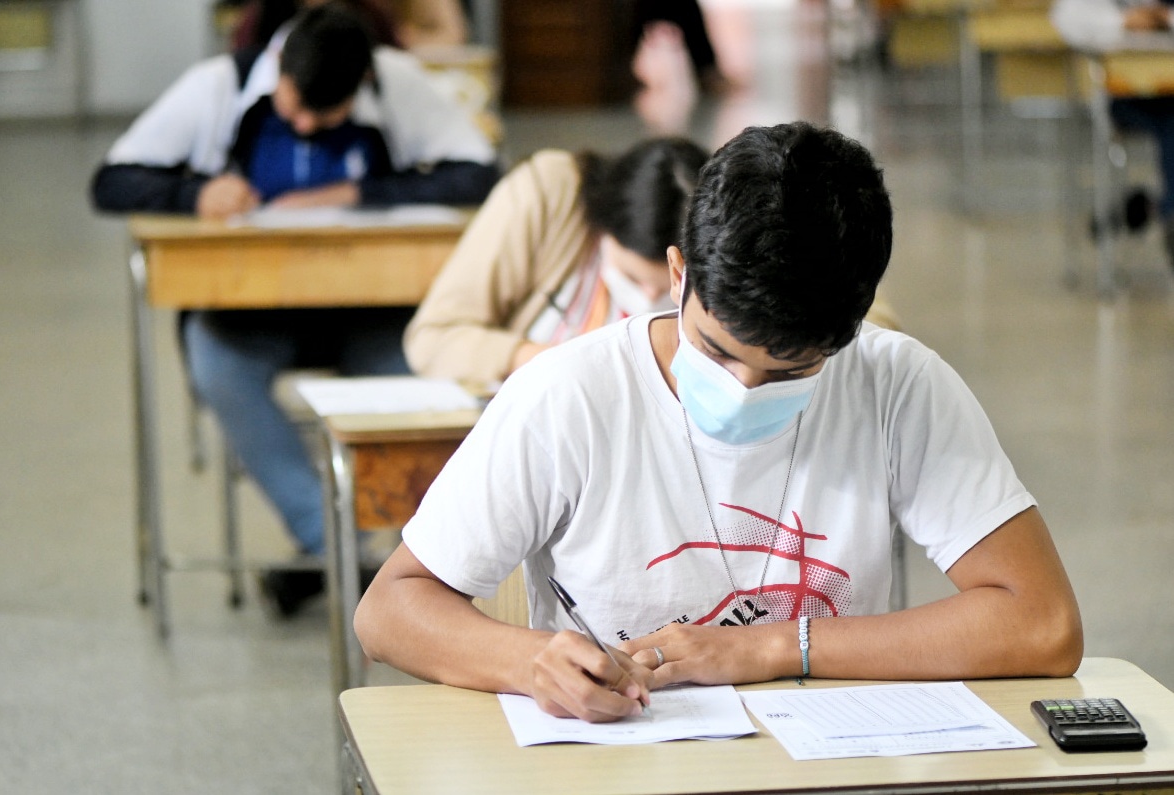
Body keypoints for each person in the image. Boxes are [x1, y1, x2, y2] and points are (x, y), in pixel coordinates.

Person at [354, 123, 1083, 723]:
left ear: (849, 330)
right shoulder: (567, 395)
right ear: (677, 275)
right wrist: (527, 660)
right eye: (716, 350)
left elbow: (1041, 623)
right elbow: (388, 610)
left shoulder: (896, 382)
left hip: (833, 759)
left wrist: (771, 648)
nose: (741, 392)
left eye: (789, 371)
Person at [90, 4, 498, 617]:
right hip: (247, 316)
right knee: (218, 369)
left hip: (373, 314)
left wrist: (359, 193)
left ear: (361, 85)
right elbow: (111, 182)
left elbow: (479, 175)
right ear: (278, 65)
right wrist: (194, 194)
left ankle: (407, 559)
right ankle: (341, 549)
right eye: (294, 107)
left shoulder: (394, 80)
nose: (306, 125)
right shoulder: (218, 86)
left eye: (324, 114)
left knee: (435, 386)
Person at [404, 138, 710, 385]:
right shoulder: (549, 194)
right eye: (632, 278)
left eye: (672, 288)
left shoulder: (722, 257)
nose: (648, 298)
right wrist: (552, 363)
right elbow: (432, 340)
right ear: (606, 224)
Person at [1053, 0, 1174, 268]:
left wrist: (1163, 19)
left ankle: (1154, 207)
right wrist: (1123, 22)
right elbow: (1066, 21)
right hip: (1122, 97)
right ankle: (1162, 209)